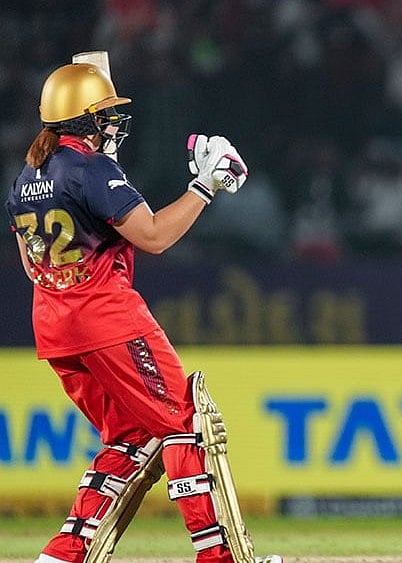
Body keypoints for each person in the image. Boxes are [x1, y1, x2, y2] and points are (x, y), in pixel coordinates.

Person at [5, 58, 280, 562]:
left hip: (55, 328)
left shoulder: (25, 178)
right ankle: (217, 556)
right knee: (186, 423)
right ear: (84, 120)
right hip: (107, 319)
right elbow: (154, 237)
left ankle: (63, 553)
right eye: (105, 115)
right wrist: (205, 187)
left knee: (129, 438)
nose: (114, 124)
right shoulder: (92, 170)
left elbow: (32, 265)